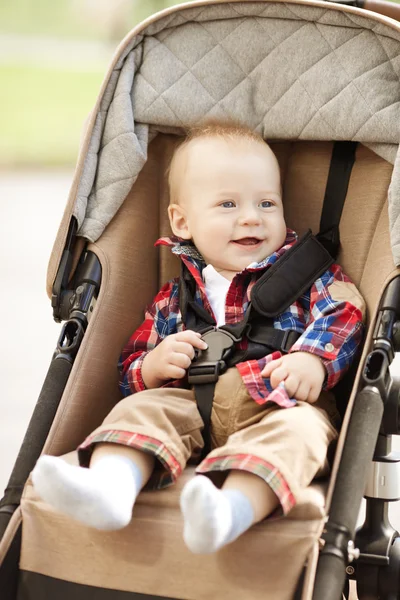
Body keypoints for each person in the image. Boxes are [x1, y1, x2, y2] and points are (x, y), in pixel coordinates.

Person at [32, 122, 365, 554]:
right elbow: (131, 364)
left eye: (267, 202)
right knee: (141, 408)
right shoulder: (177, 295)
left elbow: (346, 310)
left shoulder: (306, 274)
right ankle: (111, 490)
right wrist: (151, 368)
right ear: (183, 222)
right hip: (192, 405)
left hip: (277, 404)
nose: (251, 216)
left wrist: (313, 359)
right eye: (228, 204)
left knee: (300, 431)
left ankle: (230, 511)